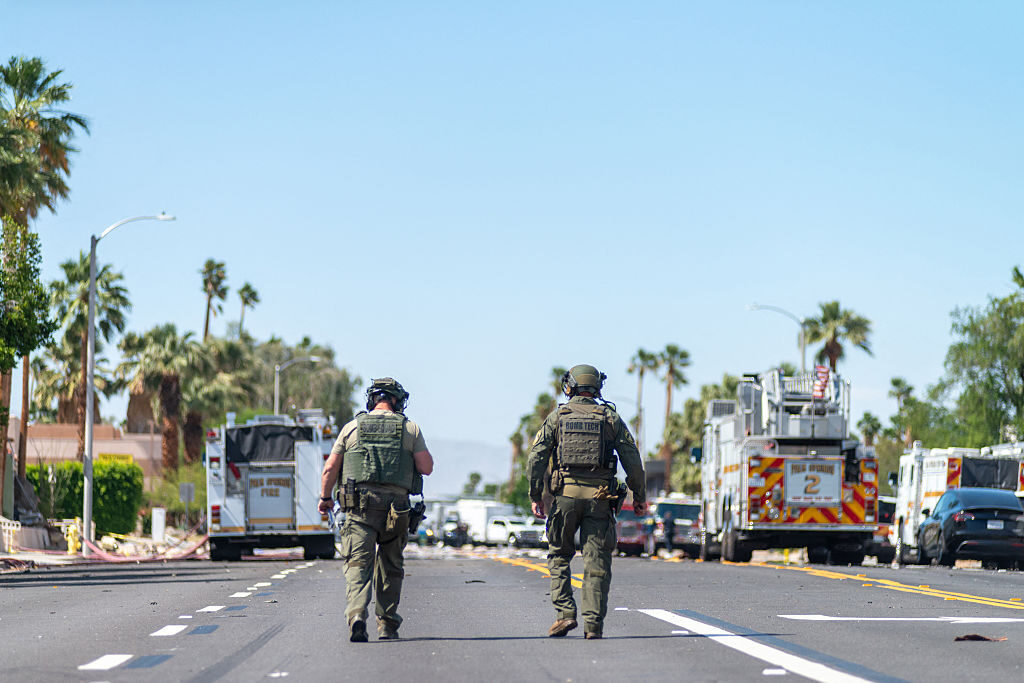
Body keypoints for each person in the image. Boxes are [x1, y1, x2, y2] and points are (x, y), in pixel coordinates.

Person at [528, 364, 646, 640]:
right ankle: (593, 625)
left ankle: (565, 615)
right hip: (600, 500)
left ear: (569, 386)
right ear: (597, 387)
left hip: (565, 499)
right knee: (597, 563)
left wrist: (536, 495)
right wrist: (639, 496)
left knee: (559, 555)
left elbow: (535, 459)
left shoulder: (557, 417)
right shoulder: (610, 418)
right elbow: (633, 461)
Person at [319, 377, 433, 643]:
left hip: (359, 508)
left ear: (372, 399)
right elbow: (426, 467)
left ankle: (357, 615)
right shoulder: (410, 429)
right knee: (391, 566)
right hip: (397, 510)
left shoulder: (351, 428)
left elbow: (329, 469)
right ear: (395, 400)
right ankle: (387, 625)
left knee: (358, 564)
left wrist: (325, 498)